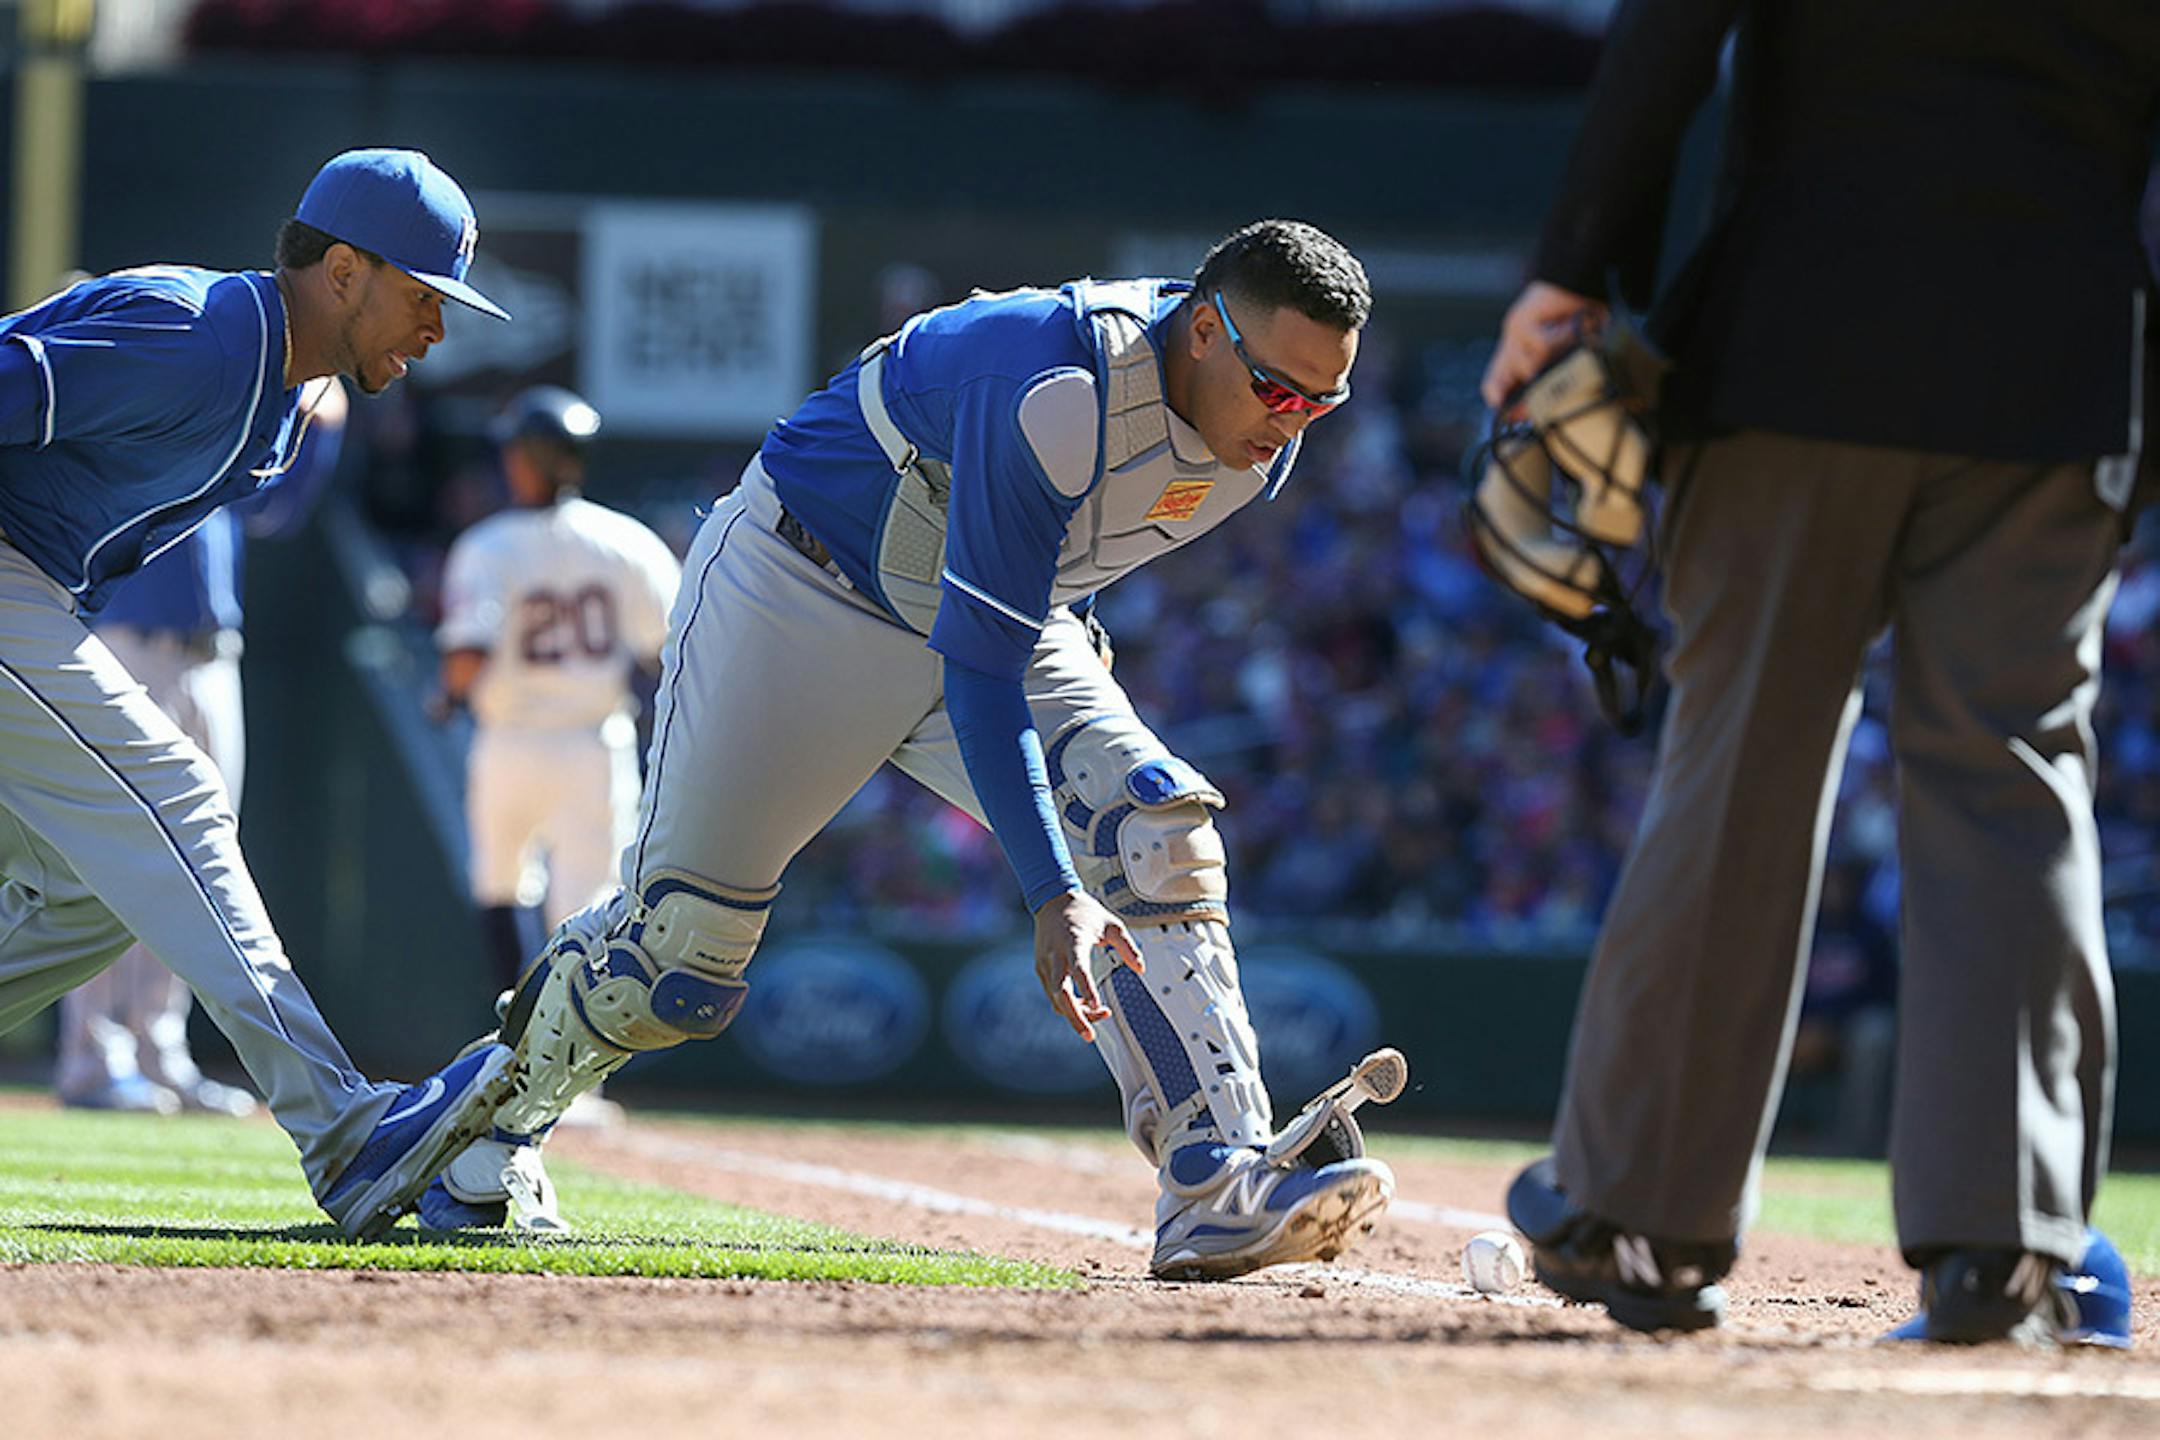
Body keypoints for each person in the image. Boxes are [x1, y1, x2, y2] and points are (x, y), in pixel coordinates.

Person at [423, 220, 1399, 1278]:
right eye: (1279, 390)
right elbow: (981, 670)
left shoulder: (1258, 436)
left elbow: (1042, 578)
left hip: (984, 612)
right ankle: (489, 1129)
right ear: (1204, 332)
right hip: (802, 594)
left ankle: (1217, 1171)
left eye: (1323, 400)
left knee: (1151, 822)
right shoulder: (1060, 383)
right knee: (679, 964)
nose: (1294, 421)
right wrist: (1052, 891)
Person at [1482, 2, 2160, 1341]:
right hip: (2058, 363)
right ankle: (2003, 1245)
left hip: (1799, 344)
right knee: (2011, 770)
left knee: (1742, 756)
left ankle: (1642, 1217)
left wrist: (1574, 271)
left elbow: (1665, 45)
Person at [0, 147, 522, 1238]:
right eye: (423, 297)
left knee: (96, 891)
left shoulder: (284, 403)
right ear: (342, 270)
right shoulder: (193, 331)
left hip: (36, 586)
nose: (437, 330)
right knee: (178, 795)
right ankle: (345, 1132)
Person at [53, 380, 348, 1118]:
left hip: (210, 655)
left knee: (200, 854)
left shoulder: (199, 435)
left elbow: (273, 508)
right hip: (124, 647)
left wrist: (320, 430)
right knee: (115, 851)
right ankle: (95, 1058)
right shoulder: (99, 438)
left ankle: (160, 1050)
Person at [434, 385, 681, 1125]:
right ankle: (575, 1083)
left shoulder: (488, 545)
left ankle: (513, 1066)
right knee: (588, 912)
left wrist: (443, 695)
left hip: (509, 743)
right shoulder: (625, 540)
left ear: (530, 457)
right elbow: (669, 651)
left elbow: (465, 657)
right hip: (591, 745)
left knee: (501, 891)